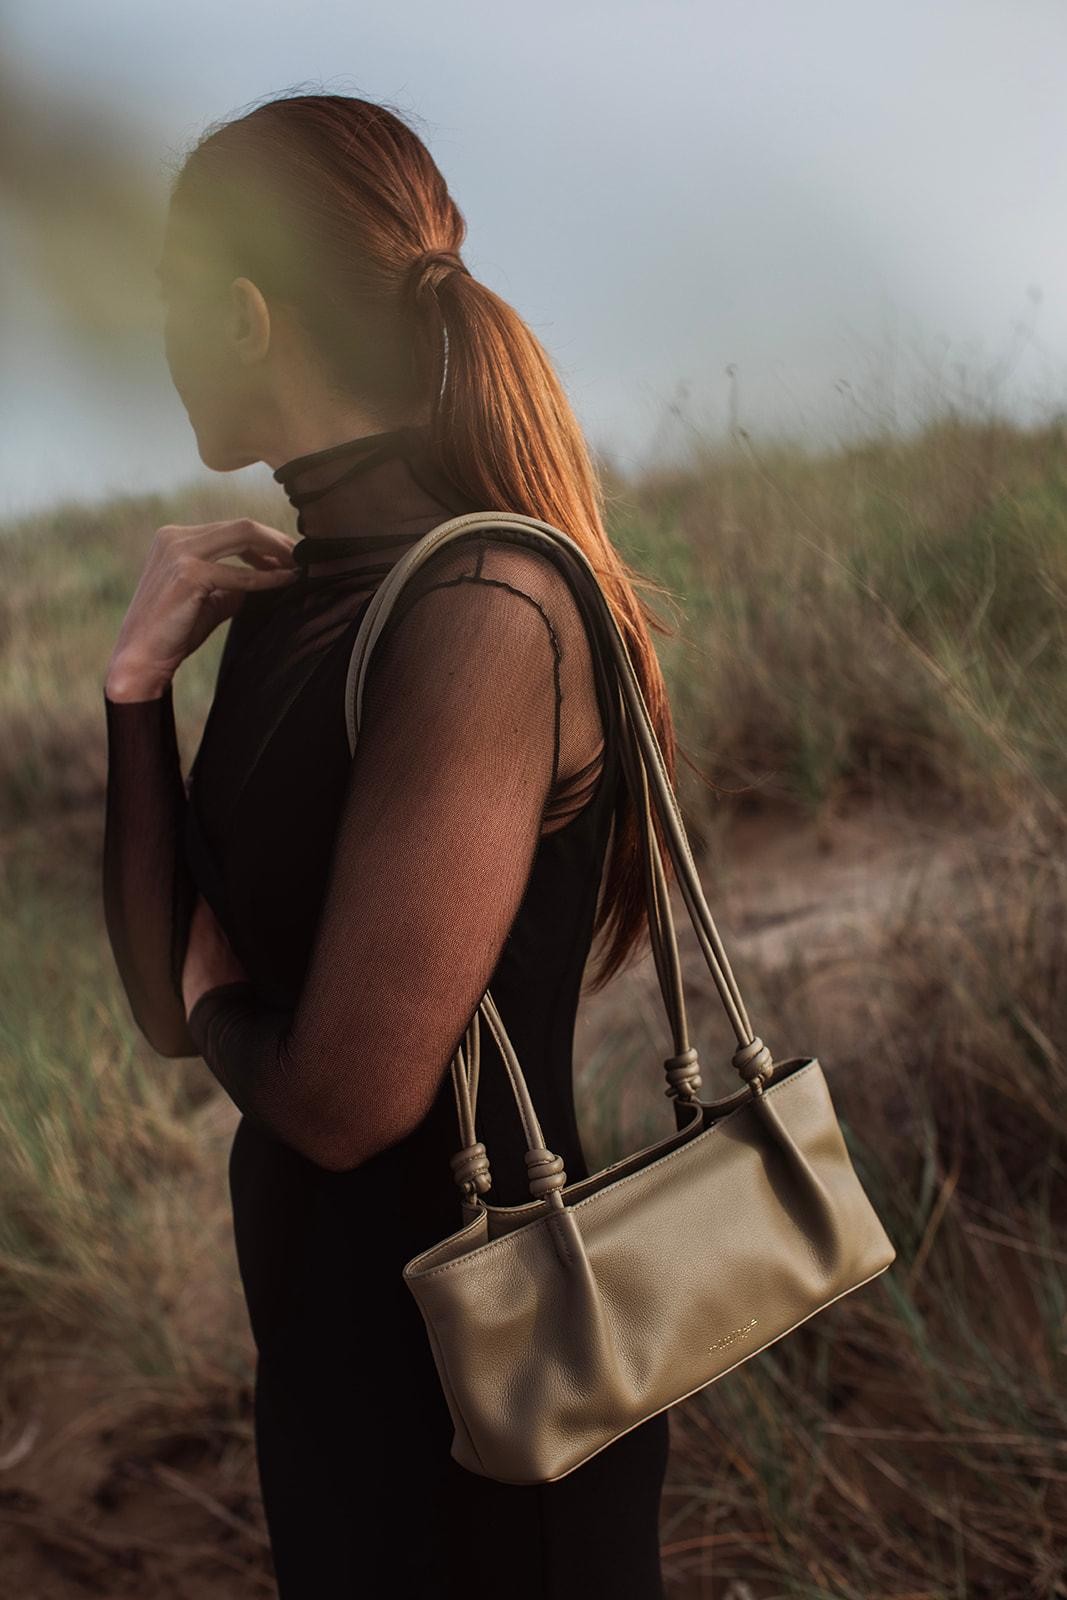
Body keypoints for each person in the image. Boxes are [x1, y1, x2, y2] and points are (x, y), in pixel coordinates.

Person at [102, 90, 682, 1599]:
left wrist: (228, 1000)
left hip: (499, 1390)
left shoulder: (483, 609)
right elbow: (171, 1013)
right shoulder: (296, 594)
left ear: (239, 309)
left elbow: (347, 1099)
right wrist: (135, 693)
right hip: (330, 1357)